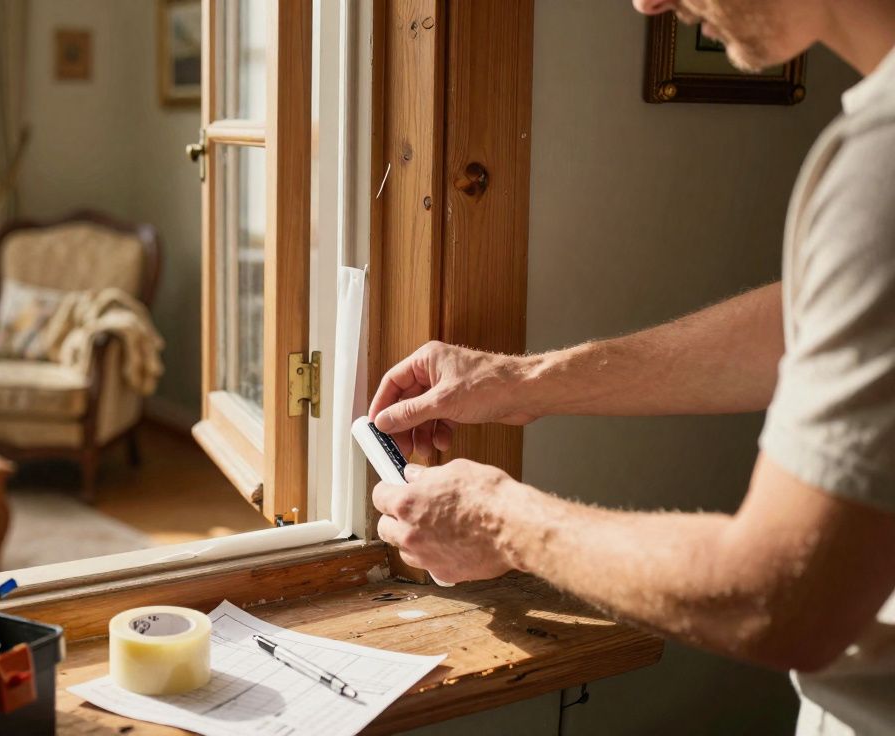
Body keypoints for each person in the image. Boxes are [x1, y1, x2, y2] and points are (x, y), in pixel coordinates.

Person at [367, 0, 895, 733]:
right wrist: (526, 382)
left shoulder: (882, 166)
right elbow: (818, 316)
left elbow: (775, 599)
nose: (647, 2)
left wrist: (498, 520)